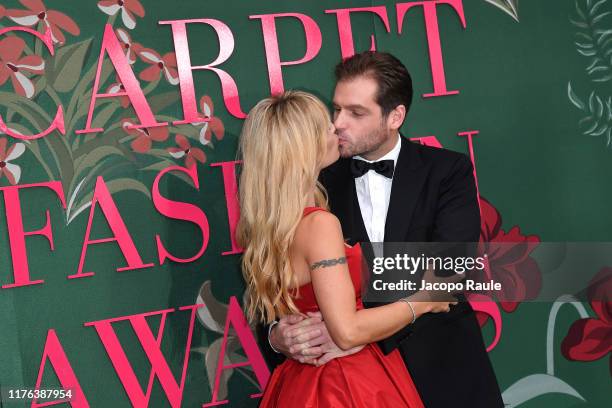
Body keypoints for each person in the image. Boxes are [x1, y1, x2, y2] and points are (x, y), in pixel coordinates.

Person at [265, 52, 504, 408]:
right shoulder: (315, 182)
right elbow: (271, 279)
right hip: (354, 388)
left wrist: (352, 332)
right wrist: (277, 336)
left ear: (396, 116)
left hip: (443, 373)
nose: (338, 124)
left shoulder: (446, 171)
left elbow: (450, 271)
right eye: (336, 109)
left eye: (356, 113)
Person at [237, 90, 457, 407]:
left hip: (303, 383)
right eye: (328, 125)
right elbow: (348, 332)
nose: (337, 128)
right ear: (305, 148)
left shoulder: (270, 224)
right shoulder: (320, 224)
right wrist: (424, 301)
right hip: (346, 384)